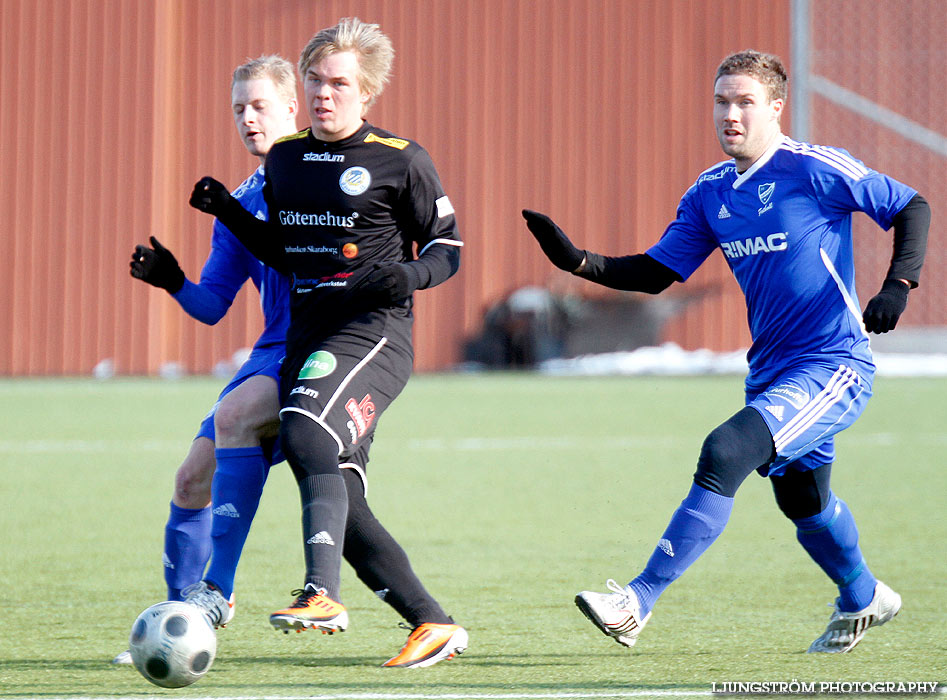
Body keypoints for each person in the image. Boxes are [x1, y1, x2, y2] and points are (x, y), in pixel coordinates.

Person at [523, 49, 928, 654]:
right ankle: (864, 596)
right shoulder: (711, 192)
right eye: (721, 102)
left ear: (775, 108)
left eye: (744, 103)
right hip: (771, 372)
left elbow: (910, 206)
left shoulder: (812, 167)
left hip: (833, 364)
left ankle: (636, 600)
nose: (730, 115)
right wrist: (578, 261)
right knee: (803, 503)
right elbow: (657, 272)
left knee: (724, 450)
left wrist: (898, 284)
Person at [188, 18, 467, 668]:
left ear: (365, 92)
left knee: (304, 431)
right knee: (342, 499)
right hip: (311, 334)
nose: (323, 93)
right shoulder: (286, 160)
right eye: (314, 79)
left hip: (374, 332)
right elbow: (284, 252)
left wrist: (406, 273)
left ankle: (321, 596)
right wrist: (229, 214)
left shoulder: (401, 158)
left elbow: (448, 249)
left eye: (338, 83)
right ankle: (433, 623)